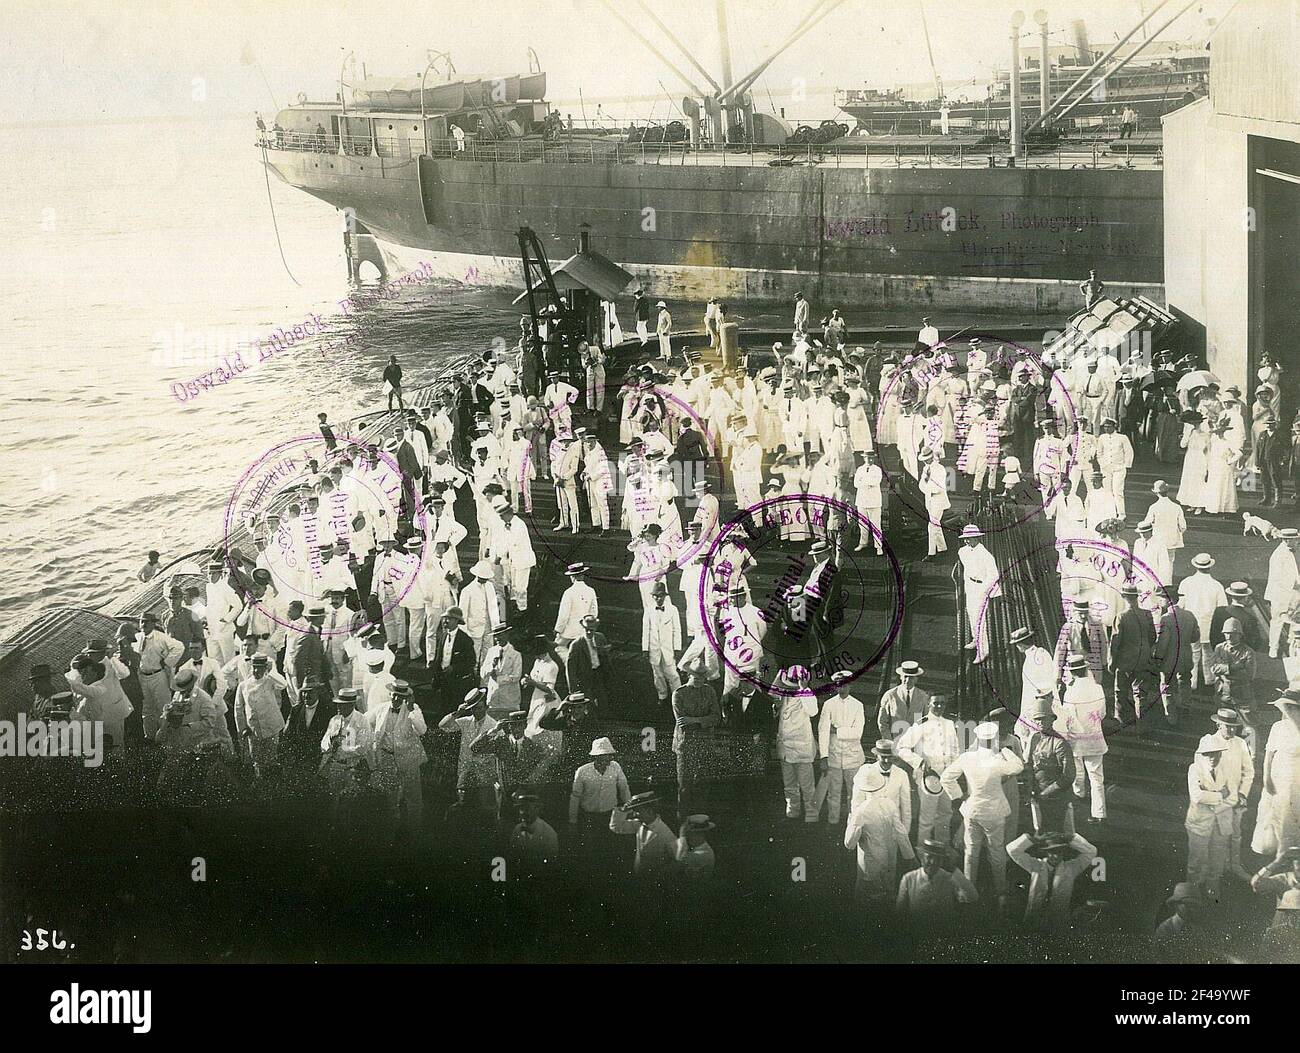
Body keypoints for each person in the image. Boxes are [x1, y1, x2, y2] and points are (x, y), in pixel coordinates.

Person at [941, 720, 1024, 905]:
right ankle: (1000, 890)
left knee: (971, 850)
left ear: (978, 738)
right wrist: (1006, 751)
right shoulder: (998, 760)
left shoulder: (967, 758)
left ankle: (969, 889)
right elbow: (1018, 766)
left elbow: (946, 777)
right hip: (994, 813)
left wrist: (959, 796)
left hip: (972, 809)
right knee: (996, 851)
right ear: (994, 739)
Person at [845, 765, 915, 906]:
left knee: (869, 893)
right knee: (888, 888)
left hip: (870, 859)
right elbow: (901, 832)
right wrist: (910, 856)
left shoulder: (861, 811)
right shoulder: (890, 804)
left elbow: (849, 843)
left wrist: (857, 834)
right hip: (890, 854)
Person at [896, 694, 960, 845]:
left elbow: (955, 749)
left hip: (947, 777)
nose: (939, 707)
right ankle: (922, 853)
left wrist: (953, 770)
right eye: (936, 703)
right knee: (927, 819)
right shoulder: (921, 724)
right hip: (929, 777)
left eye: (942, 703)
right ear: (928, 704)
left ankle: (941, 850)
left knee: (945, 814)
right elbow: (901, 747)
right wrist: (919, 762)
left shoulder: (949, 723)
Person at [1006, 830, 1098, 933]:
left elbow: (1091, 852)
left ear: (1063, 853)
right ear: (1045, 852)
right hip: (1033, 920)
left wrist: (1072, 838)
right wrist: (1033, 839)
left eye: (1059, 852)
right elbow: (1011, 850)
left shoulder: (1071, 868)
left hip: (1058, 923)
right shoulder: (1036, 866)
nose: (1056, 856)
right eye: (1052, 852)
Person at [1058, 653, 1108, 826]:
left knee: (1078, 774)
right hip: (1095, 738)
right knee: (1096, 778)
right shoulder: (1098, 688)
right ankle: (1099, 813)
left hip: (1077, 741)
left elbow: (1068, 720)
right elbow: (1102, 714)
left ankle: (1080, 799)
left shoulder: (1070, 693)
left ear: (1072, 673)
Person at [816, 670, 867, 825]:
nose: (842, 688)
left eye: (845, 684)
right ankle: (833, 822)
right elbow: (823, 731)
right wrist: (824, 757)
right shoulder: (828, 705)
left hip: (853, 758)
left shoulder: (858, 705)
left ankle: (853, 824)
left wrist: (836, 730)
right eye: (839, 685)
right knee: (833, 793)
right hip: (834, 756)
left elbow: (857, 733)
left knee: (854, 793)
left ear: (850, 684)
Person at [895, 839, 978, 931]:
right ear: (922, 858)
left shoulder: (949, 878)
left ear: (943, 861)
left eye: (938, 859)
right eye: (929, 857)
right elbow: (900, 912)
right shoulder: (909, 879)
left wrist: (954, 870)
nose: (933, 862)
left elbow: (973, 897)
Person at [1261, 693, 1300, 859]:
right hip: (1278, 773)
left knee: (1290, 819)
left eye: (1292, 708)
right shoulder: (1278, 727)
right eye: (1286, 707)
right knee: (1275, 814)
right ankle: (1275, 852)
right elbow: (1269, 754)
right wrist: (1266, 777)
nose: (1288, 711)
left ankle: (1285, 857)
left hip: (1295, 776)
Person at [955, 525, 1000, 664]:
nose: (967, 541)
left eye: (969, 539)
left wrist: (983, 591)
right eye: (966, 539)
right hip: (971, 586)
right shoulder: (963, 551)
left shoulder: (986, 555)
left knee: (979, 620)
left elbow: (994, 576)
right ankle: (976, 639)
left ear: (977, 538)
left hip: (982, 588)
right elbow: (967, 568)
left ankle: (983, 650)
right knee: (970, 614)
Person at [610, 789, 677, 879]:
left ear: (649, 811)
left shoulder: (666, 834)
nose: (635, 814)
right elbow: (616, 827)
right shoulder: (639, 825)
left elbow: (677, 860)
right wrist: (623, 811)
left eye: (638, 811)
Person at [642, 581, 682, 706]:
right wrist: (645, 649)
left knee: (672, 674)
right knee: (657, 674)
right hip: (654, 648)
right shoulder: (648, 610)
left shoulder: (673, 610)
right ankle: (662, 695)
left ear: (665, 596)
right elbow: (646, 630)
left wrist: (677, 647)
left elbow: (677, 629)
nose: (658, 598)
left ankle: (677, 697)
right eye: (655, 596)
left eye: (660, 596)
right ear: (652, 596)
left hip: (668, 648)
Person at [507, 792, 559, 874]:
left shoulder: (548, 833)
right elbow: (512, 854)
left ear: (537, 809)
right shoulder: (517, 829)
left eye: (527, 808)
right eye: (521, 809)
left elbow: (551, 863)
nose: (523, 813)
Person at [877, 660, 929, 740]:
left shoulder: (923, 696)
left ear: (916, 679)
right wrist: (889, 741)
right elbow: (882, 722)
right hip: (895, 742)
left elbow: (926, 721)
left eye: (911, 678)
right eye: (905, 677)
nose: (907, 680)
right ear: (901, 677)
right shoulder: (890, 695)